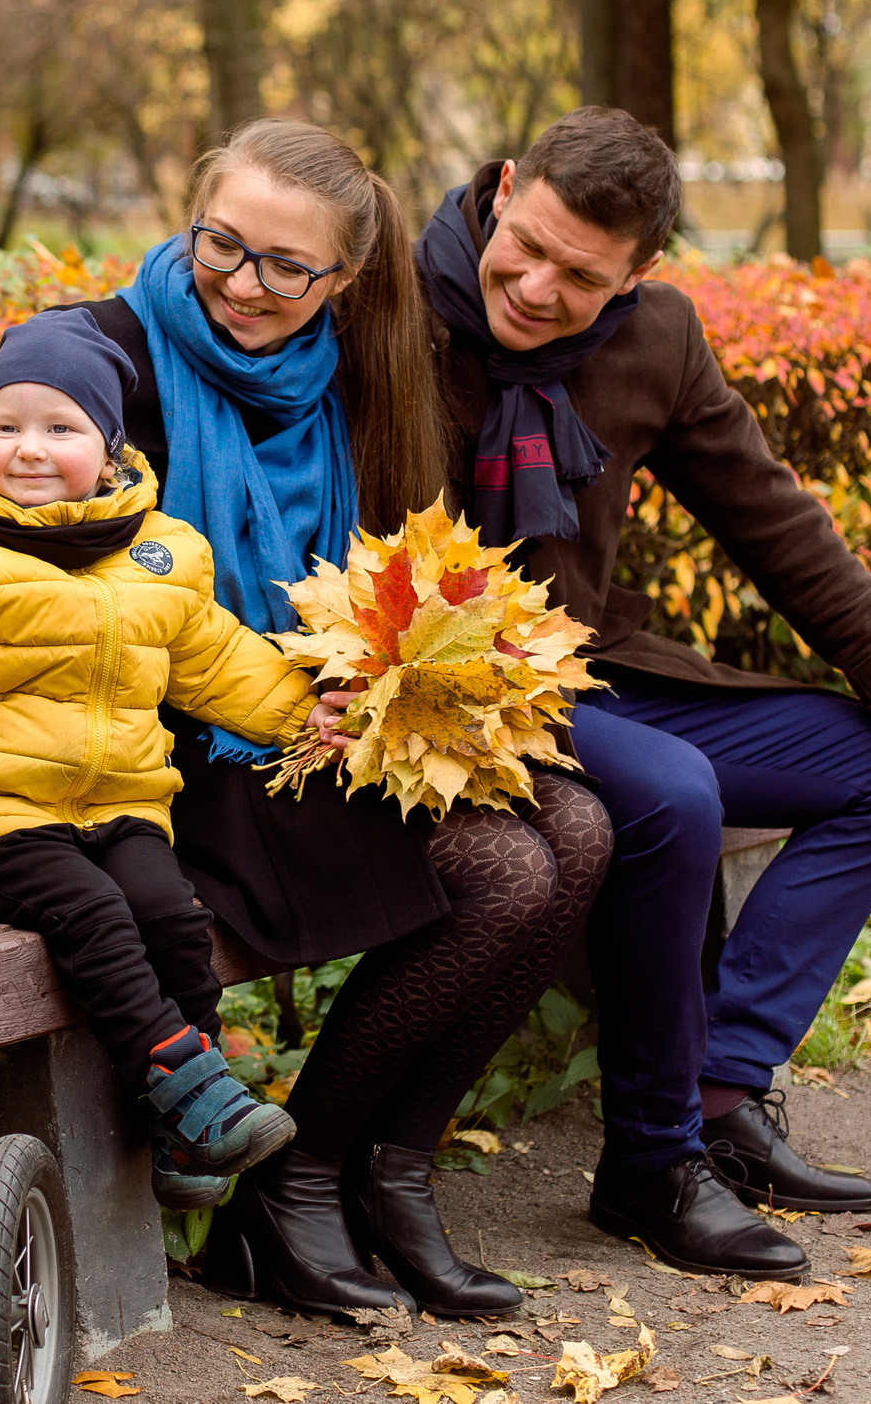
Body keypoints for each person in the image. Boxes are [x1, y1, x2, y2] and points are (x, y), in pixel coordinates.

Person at [415, 106, 871, 1279]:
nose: (535, 287)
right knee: (672, 791)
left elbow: (775, 524)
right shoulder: (390, 315)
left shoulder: (653, 339)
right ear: (505, 186)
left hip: (591, 672)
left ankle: (719, 1091)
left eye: (582, 276)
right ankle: (649, 1166)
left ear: (640, 273)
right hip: (438, 690)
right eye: (528, 244)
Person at [77, 119, 615, 1321]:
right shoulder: (110, 355)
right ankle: (297, 1179)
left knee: (575, 832)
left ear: (343, 279)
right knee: (504, 877)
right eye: (222, 243)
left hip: (310, 734)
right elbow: (58, 491)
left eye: (285, 265)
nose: (242, 284)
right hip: (178, 760)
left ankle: (391, 1171)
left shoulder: (349, 378)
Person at [0, 311, 348, 1211]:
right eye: (5, 427)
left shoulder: (160, 552)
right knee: (94, 912)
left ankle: (188, 1136)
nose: (27, 448)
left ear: (109, 450)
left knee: (171, 916)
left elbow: (217, 662)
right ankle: (199, 1089)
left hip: (119, 805)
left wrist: (311, 717)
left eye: (60, 428)